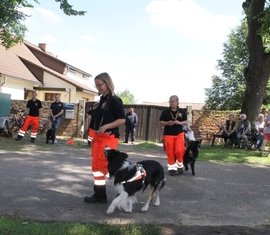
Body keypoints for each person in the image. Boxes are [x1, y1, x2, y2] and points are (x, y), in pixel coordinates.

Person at [84, 72, 125, 203]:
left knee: (108, 167)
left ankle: (122, 192)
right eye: (96, 86)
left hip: (109, 138)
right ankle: (100, 195)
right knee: (96, 167)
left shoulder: (115, 100)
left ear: (107, 83)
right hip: (98, 138)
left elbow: (122, 120)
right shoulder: (102, 100)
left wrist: (106, 126)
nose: (98, 88)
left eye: (100, 85)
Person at [159, 95, 187, 176]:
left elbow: (186, 121)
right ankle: (172, 169)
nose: (171, 103)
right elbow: (160, 122)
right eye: (170, 101)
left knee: (179, 151)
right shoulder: (165, 111)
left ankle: (180, 165)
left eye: (173, 101)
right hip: (168, 134)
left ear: (177, 102)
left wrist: (180, 122)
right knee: (170, 152)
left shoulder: (182, 111)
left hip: (179, 133)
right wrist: (168, 123)